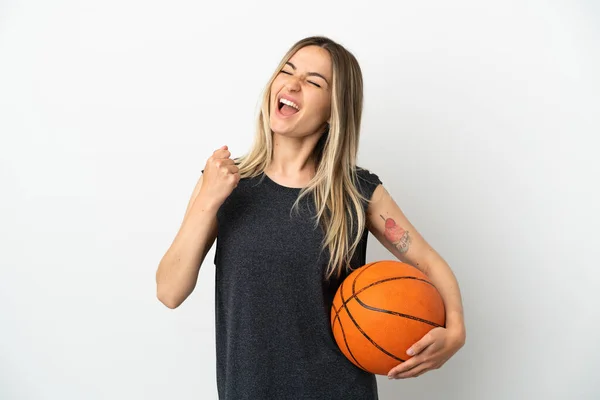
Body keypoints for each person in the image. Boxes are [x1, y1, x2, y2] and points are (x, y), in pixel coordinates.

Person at [155, 36, 466, 400]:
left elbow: (427, 261)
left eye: (314, 81)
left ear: (335, 108)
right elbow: (169, 291)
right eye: (287, 71)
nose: (291, 83)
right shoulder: (224, 181)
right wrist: (208, 201)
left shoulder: (357, 192)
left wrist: (456, 330)